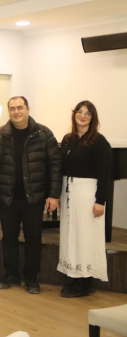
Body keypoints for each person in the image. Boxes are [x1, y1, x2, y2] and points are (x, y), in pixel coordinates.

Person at [0, 96, 62, 294]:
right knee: (9, 238)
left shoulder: (44, 134)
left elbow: (55, 165)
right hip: (8, 197)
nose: (16, 112)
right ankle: (11, 275)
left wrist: (54, 195)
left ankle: (31, 278)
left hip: (34, 197)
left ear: (28, 109)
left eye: (20, 107)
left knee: (33, 239)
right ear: (9, 111)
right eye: (12, 108)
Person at [58, 101, 111, 298]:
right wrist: (59, 194)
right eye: (79, 112)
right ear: (74, 115)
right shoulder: (68, 139)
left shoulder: (98, 141)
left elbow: (105, 173)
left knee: (85, 236)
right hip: (69, 193)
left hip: (87, 195)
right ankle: (73, 275)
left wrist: (100, 201)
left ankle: (84, 280)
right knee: (71, 235)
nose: (82, 116)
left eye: (87, 113)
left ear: (93, 118)